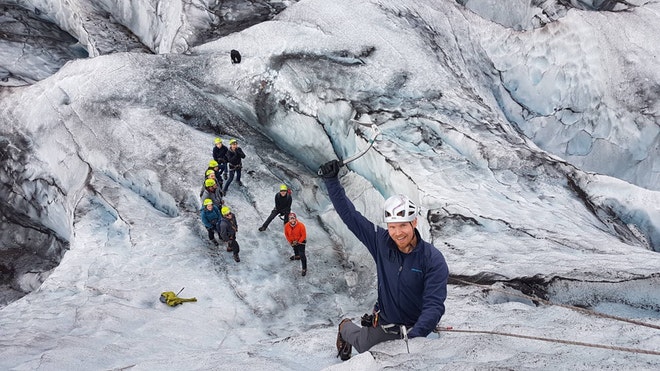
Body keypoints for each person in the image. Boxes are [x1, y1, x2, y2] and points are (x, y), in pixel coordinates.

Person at [318, 159, 448, 361]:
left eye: (403, 225)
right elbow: (350, 216)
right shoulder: (380, 242)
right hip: (385, 322)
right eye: (392, 226)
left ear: (414, 222)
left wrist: (415, 337)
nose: (397, 233)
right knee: (363, 345)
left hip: (415, 327)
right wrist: (331, 181)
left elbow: (434, 305)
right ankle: (345, 327)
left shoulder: (432, 259)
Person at [283, 212, 307, 276]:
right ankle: (297, 256)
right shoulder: (287, 226)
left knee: (302, 254)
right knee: (295, 249)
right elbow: (286, 234)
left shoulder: (301, 225)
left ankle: (304, 268)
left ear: (295, 219)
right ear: (289, 219)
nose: (292, 220)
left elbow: (304, 235)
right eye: (291, 219)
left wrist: (299, 242)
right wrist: (291, 242)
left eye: (293, 218)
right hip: (293, 241)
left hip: (301, 241)